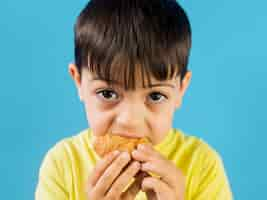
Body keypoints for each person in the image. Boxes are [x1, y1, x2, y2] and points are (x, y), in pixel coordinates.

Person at [35, 0, 233, 199]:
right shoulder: (62, 164)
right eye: (107, 94)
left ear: (181, 90)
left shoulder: (202, 164)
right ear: (79, 82)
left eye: (155, 96)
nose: (130, 120)